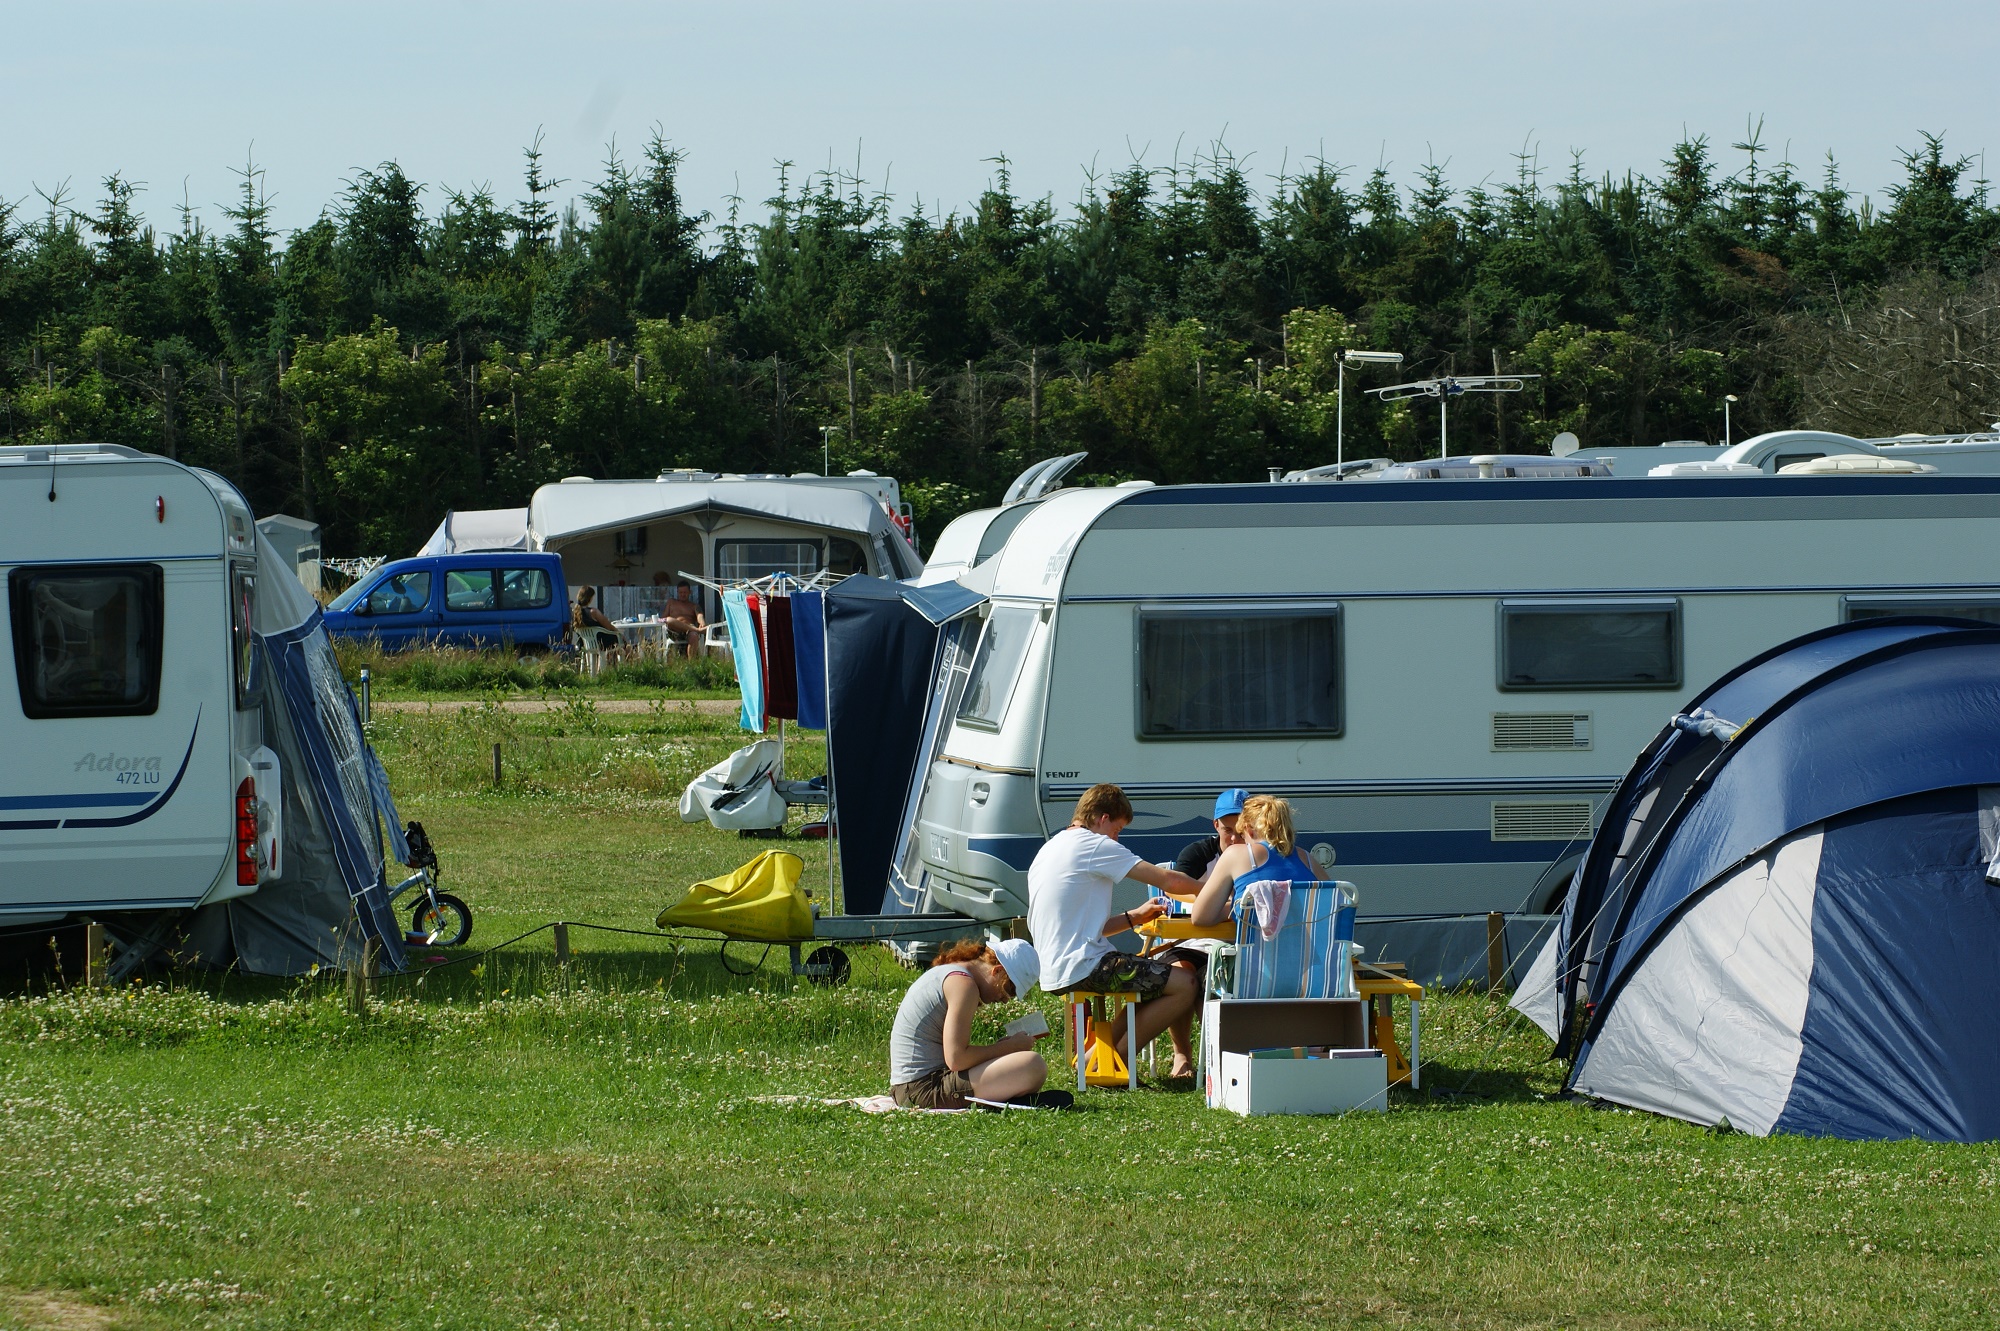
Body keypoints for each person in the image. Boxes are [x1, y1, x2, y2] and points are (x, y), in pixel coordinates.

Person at [1027, 783, 1205, 1079]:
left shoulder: (1051, 848)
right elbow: (1169, 881)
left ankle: (1096, 1057)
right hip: (1084, 965)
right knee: (1185, 983)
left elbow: (1084, 926)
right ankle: (1114, 1063)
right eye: (1118, 829)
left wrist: (1135, 916)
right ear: (1102, 818)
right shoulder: (1093, 844)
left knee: (1156, 977)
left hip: (1054, 967)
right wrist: (1215, 891)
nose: (1117, 836)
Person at [889, 937, 1051, 1108]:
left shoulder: (953, 973)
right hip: (921, 1090)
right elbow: (957, 1059)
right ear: (997, 971)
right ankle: (1002, 1097)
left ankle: (999, 1096)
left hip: (911, 1087)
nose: (1006, 1000)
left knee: (1025, 1064)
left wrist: (1003, 1050)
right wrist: (1009, 1048)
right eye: (1010, 989)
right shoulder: (964, 985)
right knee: (1033, 1065)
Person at [1190, 795, 1317, 928]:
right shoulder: (1307, 859)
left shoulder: (1235, 854)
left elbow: (1200, 918)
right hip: (1308, 948)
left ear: (1249, 830)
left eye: (1241, 834)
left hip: (1258, 948)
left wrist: (1237, 907)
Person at [1173, 788, 1250, 884]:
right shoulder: (1198, 853)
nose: (1234, 838)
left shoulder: (1264, 855)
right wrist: (1215, 896)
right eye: (1227, 830)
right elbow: (1175, 886)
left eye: (1241, 831)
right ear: (1216, 825)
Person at [571, 587, 621, 657]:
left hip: (585, 644)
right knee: (620, 640)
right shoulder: (593, 612)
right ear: (590, 598)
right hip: (601, 643)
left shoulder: (575, 613)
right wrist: (619, 633)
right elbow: (608, 627)